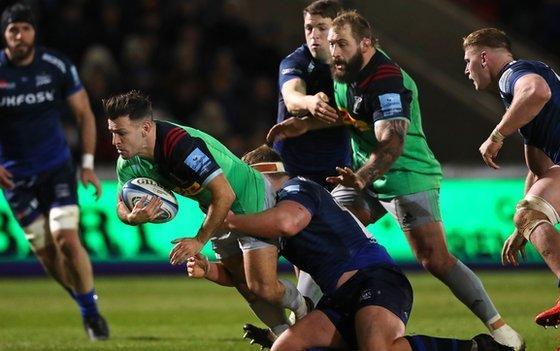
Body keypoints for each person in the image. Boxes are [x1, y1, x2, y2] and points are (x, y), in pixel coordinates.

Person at [266, 10, 523, 350]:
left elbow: (392, 143)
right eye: (331, 44)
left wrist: (360, 178)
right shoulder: (344, 73)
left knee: (435, 259)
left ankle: (502, 332)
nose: (335, 52)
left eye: (342, 43)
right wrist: (305, 125)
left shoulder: (386, 78)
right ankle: (300, 326)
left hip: (405, 174)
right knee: (322, 235)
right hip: (363, 176)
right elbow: (353, 117)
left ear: (366, 44)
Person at [188, 144, 513, 351]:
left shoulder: (297, 188)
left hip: (377, 280)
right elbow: (248, 277)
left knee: (376, 349)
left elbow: (287, 223)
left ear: (263, 176)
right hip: (338, 299)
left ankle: (475, 349)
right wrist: (209, 270)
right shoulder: (267, 215)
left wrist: (229, 221)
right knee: (285, 348)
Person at [0, 3, 108, 340]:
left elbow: (84, 114)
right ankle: (82, 297)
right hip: (14, 178)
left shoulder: (56, 66)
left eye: (25, 28)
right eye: (13, 30)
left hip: (57, 169)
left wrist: (86, 165)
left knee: (66, 240)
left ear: (34, 32)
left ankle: (91, 313)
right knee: (46, 251)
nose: (19, 35)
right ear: (4, 34)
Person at [103, 90, 310, 339]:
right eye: (112, 132)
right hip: (216, 209)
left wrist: (199, 240)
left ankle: (302, 306)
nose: (115, 141)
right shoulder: (128, 162)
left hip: (249, 198)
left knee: (262, 286)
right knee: (244, 285)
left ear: (145, 128)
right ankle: (283, 336)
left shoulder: (179, 145)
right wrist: (132, 218)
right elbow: (120, 205)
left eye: (121, 133)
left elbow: (226, 194)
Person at [463, 27, 560, 328]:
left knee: (529, 213)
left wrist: (496, 135)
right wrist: (523, 228)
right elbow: (539, 168)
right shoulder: (521, 103)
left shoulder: (512, 74)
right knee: (529, 213)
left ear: (483, 57)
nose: (466, 69)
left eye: (467, 61)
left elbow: (537, 91)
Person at [275, 0, 352, 309]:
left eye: (322, 27)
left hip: (337, 171)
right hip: (294, 171)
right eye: (309, 27)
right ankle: (307, 319)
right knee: (303, 247)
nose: (314, 35)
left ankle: (311, 318)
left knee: (329, 247)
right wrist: (309, 103)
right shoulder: (295, 61)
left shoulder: (350, 65)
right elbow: (291, 97)